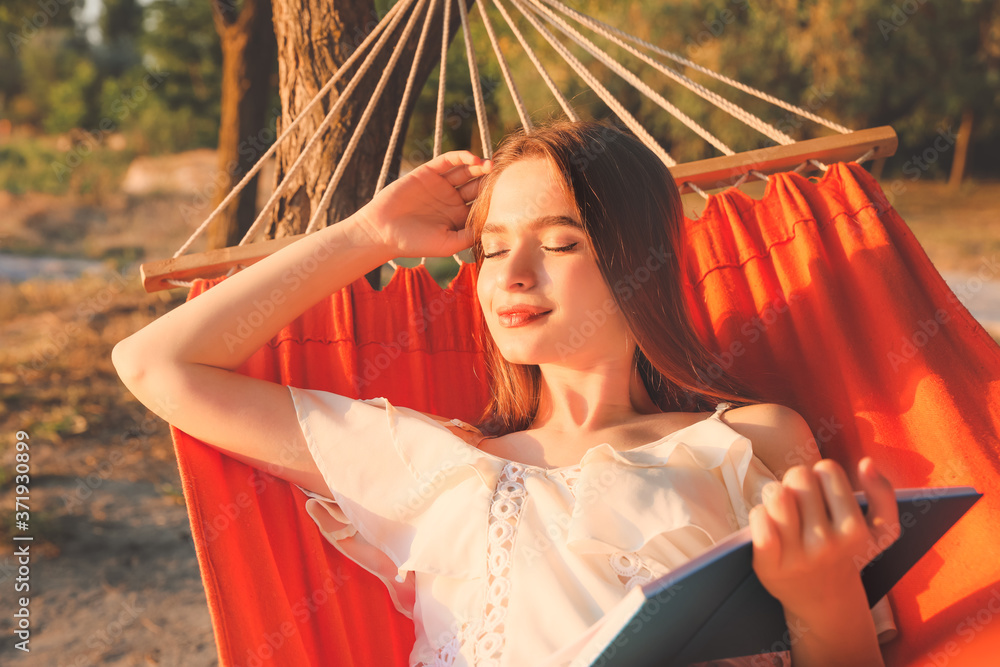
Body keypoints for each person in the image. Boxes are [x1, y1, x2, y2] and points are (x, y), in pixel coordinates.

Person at [112, 119, 901, 666]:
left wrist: (826, 597)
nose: (512, 275)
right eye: (491, 250)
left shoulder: (746, 441)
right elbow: (156, 364)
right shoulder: (432, 459)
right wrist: (367, 236)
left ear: (640, 263)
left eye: (559, 242)